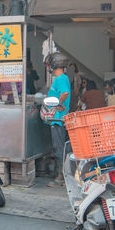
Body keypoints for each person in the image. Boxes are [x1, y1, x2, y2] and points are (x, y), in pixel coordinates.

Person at [44, 52, 71, 187]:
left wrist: (57, 104)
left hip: (58, 120)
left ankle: (60, 178)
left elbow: (65, 93)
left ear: (54, 65)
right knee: (59, 147)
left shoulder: (60, 79)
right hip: (58, 119)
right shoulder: (62, 78)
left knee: (58, 148)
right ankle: (58, 174)